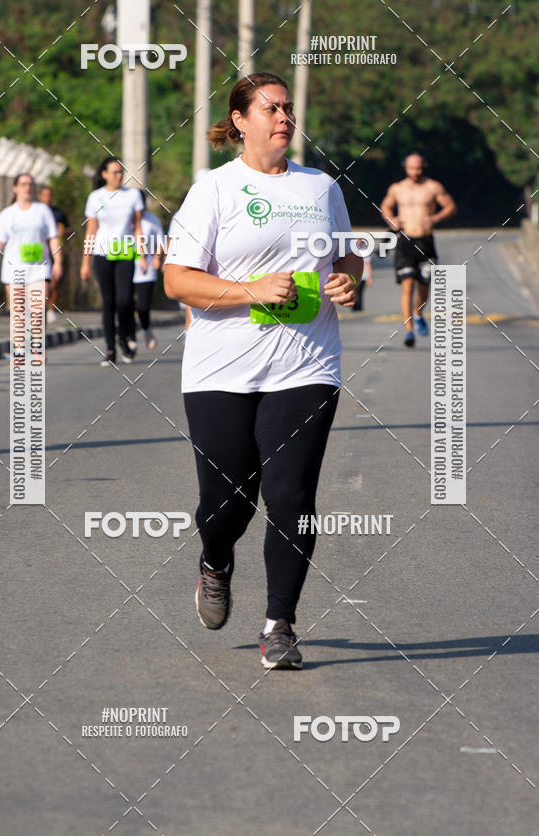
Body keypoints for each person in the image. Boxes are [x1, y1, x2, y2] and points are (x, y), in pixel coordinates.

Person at [164, 72, 362, 670]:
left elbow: (347, 254)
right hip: (220, 369)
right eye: (271, 108)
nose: (283, 117)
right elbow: (178, 280)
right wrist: (250, 291)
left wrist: (346, 280)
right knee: (226, 503)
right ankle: (215, 559)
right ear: (240, 120)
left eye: (288, 108)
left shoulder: (321, 187)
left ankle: (280, 624)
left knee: (291, 495)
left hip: (306, 364)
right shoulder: (214, 190)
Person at [380, 152, 456, 347]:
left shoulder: (433, 187)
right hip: (405, 241)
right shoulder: (397, 188)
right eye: (412, 168)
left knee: (424, 284)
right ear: (405, 168)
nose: (415, 172)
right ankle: (408, 331)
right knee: (407, 285)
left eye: (419, 168)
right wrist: (391, 220)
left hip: (425, 241)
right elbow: (385, 206)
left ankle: (418, 313)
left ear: (424, 167)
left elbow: (450, 206)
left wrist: (435, 218)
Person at [80, 157, 144, 366]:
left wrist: (142, 255)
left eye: (121, 171)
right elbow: (91, 231)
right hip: (102, 253)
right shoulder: (95, 197)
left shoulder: (133, 195)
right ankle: (110, 348)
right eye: (114, 172)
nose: (119, 175)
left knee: (124, 300)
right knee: (108, 302)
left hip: (125, 252)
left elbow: (137, 228)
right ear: (104, 174)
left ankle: (123, 338)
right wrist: (85, 262)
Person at [0, 172, 62, 305]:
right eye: (23, 184)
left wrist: (58, 261)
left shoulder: (43, 211)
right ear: (15, 188)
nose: (27, 187)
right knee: (19, 313)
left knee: (38, 312)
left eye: (30, 184)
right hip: (14, 269)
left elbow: (53, 238)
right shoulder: (7, 214)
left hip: (39, 269)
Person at [131, 191, 164, 351]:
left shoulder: (152, 220)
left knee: (143, 306)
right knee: (125, 303)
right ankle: (130, 336)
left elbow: (161, 242)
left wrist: (157, 258)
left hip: (147, 269)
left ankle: (146, 329)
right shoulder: (126, 220)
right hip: (128, 266)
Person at [38, 185, 71, 324]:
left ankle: (51, 309)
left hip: (55, 250)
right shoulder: (36, 212)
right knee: (40, 283)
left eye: (50, 195)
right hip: (39, 251)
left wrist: (64, 232)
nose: (48, 198)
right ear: (40, 197)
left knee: (54, 282)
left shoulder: (59, 213)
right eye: (45, 195)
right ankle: (40, 308)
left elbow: (69, 230)